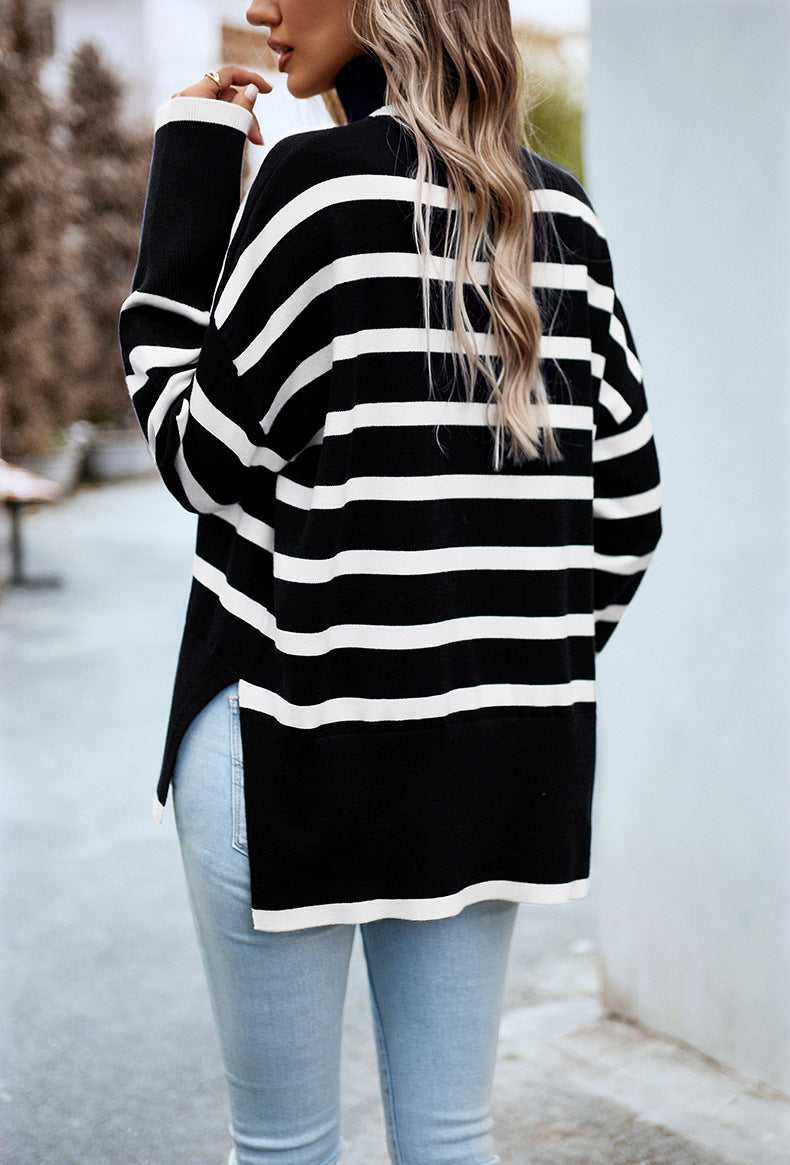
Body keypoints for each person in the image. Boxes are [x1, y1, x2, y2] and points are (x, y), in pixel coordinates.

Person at [119, 1, 661, 1162]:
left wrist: (189, 170)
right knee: (451, 1138)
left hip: (289, 744)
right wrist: (495, 658)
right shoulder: (564, 214)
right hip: (490, 756)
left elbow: (198, 459)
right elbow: (626, 517)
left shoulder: (313, 189)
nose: (260, 8)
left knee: (284, 1146)